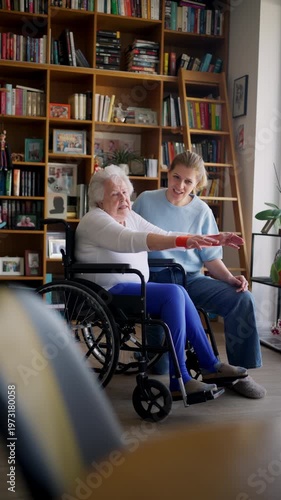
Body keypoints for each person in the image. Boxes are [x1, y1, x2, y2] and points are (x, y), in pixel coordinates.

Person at [75, 165, 248, 400]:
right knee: (173, 293)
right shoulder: (95, 220)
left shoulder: (129, 216)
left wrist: (213, 239)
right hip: (106, 292)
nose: (124, 199)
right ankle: (181, 379)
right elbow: (132, 241)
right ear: (99, 200)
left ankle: (210, 365)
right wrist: (183, 241)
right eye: (115, 194)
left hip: (134, 288)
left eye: (125, 192)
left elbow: (165, 233)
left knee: (179, 292)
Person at [132, 150, 266, 399]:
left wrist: (230, 279)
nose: (179, 186)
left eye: (188, 181)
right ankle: (159, 358)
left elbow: (211, 259)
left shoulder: (202, 211)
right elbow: (130, 239)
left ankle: (239, 374)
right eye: (176, 177)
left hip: (189, 278)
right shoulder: (145, 201)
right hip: (155, 280)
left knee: (241, 297)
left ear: (197, 184)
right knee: (159, 366)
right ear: (168, 174)